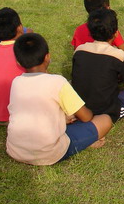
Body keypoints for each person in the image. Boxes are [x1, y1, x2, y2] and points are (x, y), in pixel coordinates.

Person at [6, 33, 113, 165]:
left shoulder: (16, 82)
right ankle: (87, 140)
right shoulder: (57, 82)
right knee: (105, 120)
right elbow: (86, 117)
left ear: (18, 62)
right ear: (47, 57)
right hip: (49, 153)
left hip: (15, 151)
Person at [72, 8, 124, 122]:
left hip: (80, 107)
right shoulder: (118, 56)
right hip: (107, 110)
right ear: (115, 33)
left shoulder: (79, 51)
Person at [71, 0, 124, 74]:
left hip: (85, 73)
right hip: (107, 74)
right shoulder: (109, 28)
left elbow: (77, 57)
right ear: (107, 8)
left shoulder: (78, 30)